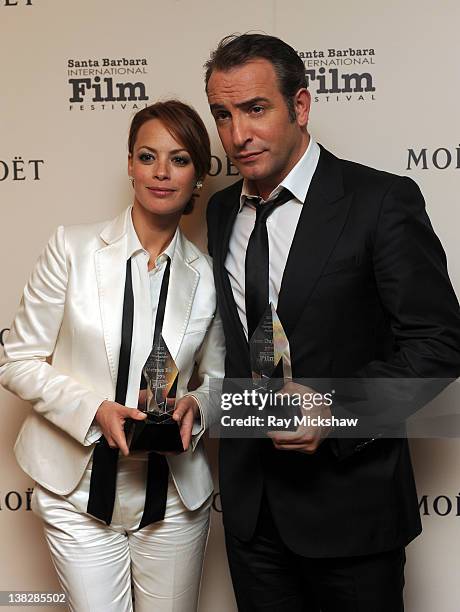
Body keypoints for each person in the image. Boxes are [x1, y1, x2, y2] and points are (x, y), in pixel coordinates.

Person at [204, 33, 460, 611]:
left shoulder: (380, 201)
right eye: (223, 115)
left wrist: (337, 410)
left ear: (300, 105)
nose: (237, 134)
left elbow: (439, 342)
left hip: (352, 512)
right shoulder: (221, 211)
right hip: (251, 514)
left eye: (255, 109)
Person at [0, 100, 225, 612]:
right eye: (148, 156)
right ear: (129, 164)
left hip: (173, 497)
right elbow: (18, 359)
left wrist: (199, 406)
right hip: (75, 491)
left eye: (180, 158)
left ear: (198, 175)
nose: (161, 172)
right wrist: (95, 410)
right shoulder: (71, 249)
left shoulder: (210, 276)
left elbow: (216, 380)